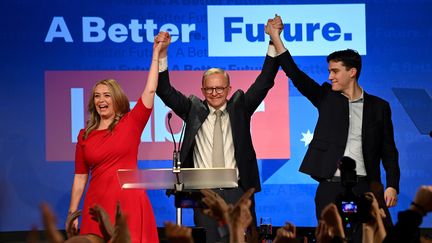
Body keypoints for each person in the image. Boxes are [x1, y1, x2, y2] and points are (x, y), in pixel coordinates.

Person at [155, 16, 286, 243]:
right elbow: (164, 90)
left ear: (229, 88)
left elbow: (265, 80)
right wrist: (162, 54)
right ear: (202, 89)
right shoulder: (192, 109)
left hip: (238, 192)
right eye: (209, 89)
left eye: (220, 88)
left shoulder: (241, 107)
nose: (215, 93)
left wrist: (273, 41)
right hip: (204, 195)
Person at [269, 17, 400, 220]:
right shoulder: (326, 98)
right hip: (330, 188)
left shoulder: (379, 107)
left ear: (352, 72)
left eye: (335, 71)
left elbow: (389, 151)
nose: (330, 76)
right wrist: (276, 37)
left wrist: (392, 185)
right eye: (329, 71)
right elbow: (296, 75)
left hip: (366, 187)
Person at [66, 32, 170, 243]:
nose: (101, 100)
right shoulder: (84, 135)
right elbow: (80, 177)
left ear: (117, 100)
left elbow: (150, 91)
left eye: (107, 95)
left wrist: (156, 54)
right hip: (96, 205)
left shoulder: (131, 123)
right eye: (97, 96)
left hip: (128, 204)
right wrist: (72, 212)